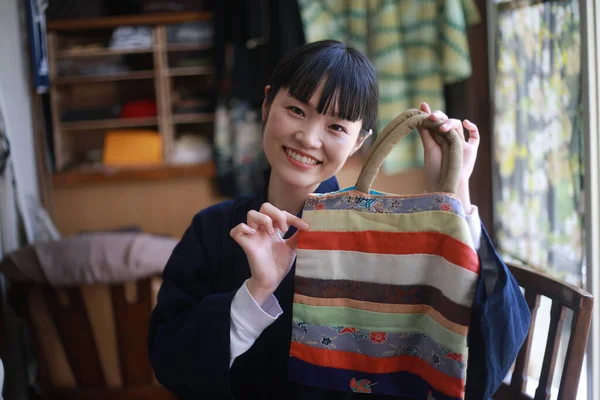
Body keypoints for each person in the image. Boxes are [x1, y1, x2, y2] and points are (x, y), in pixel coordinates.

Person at [148, 40, 530, 400]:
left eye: (336, 127)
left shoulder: (392, 232)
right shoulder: (213, 229)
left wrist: (454, 197)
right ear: (266, 105)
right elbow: (170, 362)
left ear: (360, 141)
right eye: (296, 110)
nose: (309, 138)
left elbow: (489, 351)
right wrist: (257, 291)